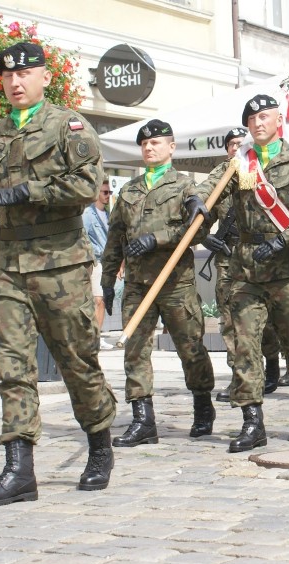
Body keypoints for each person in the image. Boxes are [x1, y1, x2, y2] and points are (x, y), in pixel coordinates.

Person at [0, 42, 117, 506]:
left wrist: (27, 191)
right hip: (7, 266)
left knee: (77, 362)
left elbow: (89, 184)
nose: (16, 82)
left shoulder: (69, 125)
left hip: (61, 262)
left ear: (44, 77)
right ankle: (19, 469)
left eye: (25, 73)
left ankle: (99, 444)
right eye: (8, 76)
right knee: (12, 368)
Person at [199, 94, 289, 452]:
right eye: (252, 118)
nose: (258, 123)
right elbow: (209, 190)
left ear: (279, 121)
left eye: (265, 117)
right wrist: (196, 202)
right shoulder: (240, 164)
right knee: (244, 345)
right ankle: (252, 421)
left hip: (288, 267)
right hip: (247, 269)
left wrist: (287, 237)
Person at [101, 119, 215, 447]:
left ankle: (203, 405)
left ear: (171, 147)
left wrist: (158, 239)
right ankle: (143, 420)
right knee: (135, 351)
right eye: (145, 144)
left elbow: (200, 229)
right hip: (138, 283)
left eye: (156, 143)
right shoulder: (129, 191)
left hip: (175, 283)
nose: (150, 148)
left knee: (190, 348)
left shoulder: (185, 187)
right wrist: (108, 280)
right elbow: (114, 238)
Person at [204, 128, 283, 402]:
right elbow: (203, 209)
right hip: (228, 255)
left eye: (241, 143)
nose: (237, 147)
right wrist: (206, 237)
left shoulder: (261, 171)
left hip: (260, 252)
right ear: (227, 150)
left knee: (267, 319)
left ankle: (270, 361)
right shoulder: (221, 175)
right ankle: (240, 378)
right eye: (232, 144)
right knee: (229, 319)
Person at [83, 177, 114, 350]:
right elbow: (83, 236)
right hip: (96, 261)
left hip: (106, 262)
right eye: (105, 192)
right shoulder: (88, 214)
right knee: (98, 299)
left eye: (109, 192)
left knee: (103, 299)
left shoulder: (108, 214)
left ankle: (96, 335)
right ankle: (96, 337)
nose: (108, 195)